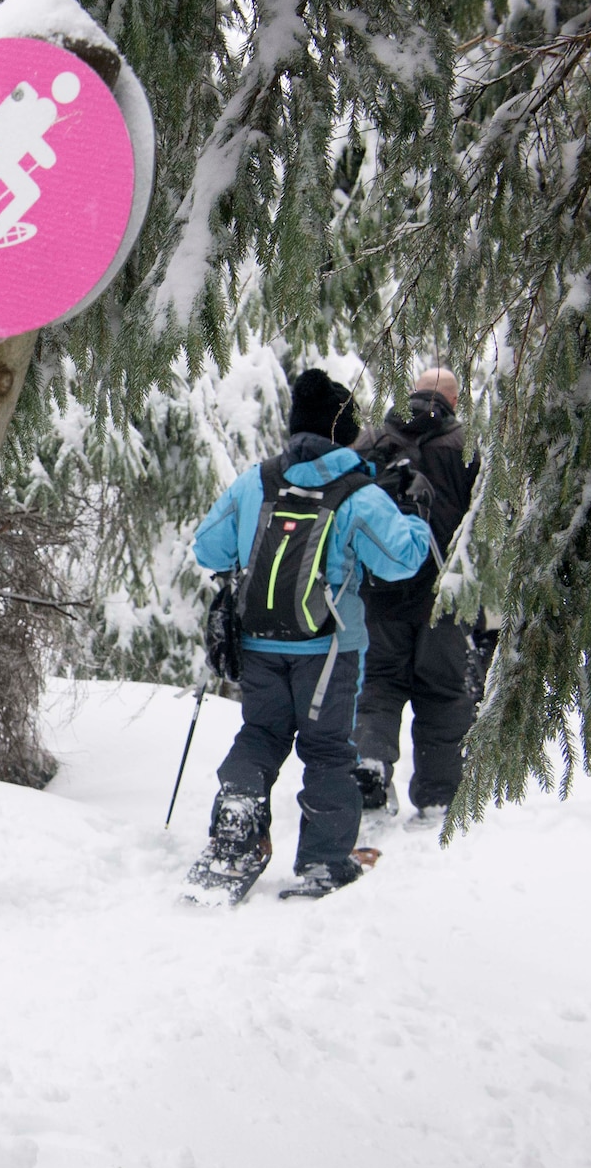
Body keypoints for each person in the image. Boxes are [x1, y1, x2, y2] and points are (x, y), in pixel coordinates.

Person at [187, 368, 431, 901]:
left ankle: (235, 830)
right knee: (326, 750)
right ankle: (323, 862)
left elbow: (207, 548)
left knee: (261, 735)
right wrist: (413, 512)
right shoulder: (357, 492)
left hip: (258, 642)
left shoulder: (258, 480)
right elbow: (401, 561)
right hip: (327, 648)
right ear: (346, 434)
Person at [350, 368, 482, 824]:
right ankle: (439, 795)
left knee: (380, 684)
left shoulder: (370, 442)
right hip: (443, 594)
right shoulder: (467, 445)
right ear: (453, 401)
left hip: (379, 591)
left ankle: (370, 767)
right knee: (444, 692)